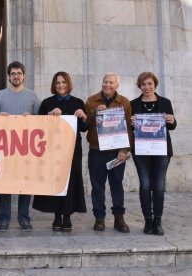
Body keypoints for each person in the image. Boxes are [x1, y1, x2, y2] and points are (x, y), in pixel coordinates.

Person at [32, 71, 88, 232]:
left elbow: (84, 128)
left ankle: (67, 217)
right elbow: (39, 127)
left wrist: (83, 116)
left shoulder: (78, 102)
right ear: (54, 85)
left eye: (64, 82)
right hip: (52, 151)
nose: (61, 85)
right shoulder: (47, 103)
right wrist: (49, 116)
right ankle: (57, 216)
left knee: (70, 183)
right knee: (55, 181)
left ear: (68, 84)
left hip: (72, 150)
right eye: (58, 83)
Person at [0, 61, 40, 231]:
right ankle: (4, 219)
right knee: (4, 185)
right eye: (12, 73)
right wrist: (0, 117)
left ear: (24, 75)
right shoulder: (0, 95)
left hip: (26, 148)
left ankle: (24, 218)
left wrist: (31, 118)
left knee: (24, 185)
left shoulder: (33, 96)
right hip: (5, 148)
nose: (16, 76)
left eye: (19, 73)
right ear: (8, 76)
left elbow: (40, 123)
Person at [85, 72, 133, 233]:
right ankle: (99, 218)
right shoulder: (92, 100)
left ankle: (119, 218)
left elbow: (128, 128)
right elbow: (86, 125)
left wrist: (124, 150)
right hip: (97, 150)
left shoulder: (124, 102)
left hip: (116, 151)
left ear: (117, 85)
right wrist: (95, 113)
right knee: (97, 186)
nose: (108, 85)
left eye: (111, 82)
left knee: (116, 185)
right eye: (105, 82)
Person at [130, 72, 176, 236]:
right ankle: (147, 220)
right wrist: (131, 123)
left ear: (154, 84)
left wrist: (172, 119)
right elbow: (129, 129)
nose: (147, 87)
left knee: (158, 185)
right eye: (143, 84)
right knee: (145, 184)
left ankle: (158, 220)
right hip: (141, 151)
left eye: (149, 83)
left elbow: (172, 126)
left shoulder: (165, 102)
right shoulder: (133, 104)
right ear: (139, 86)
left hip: (161, 149)